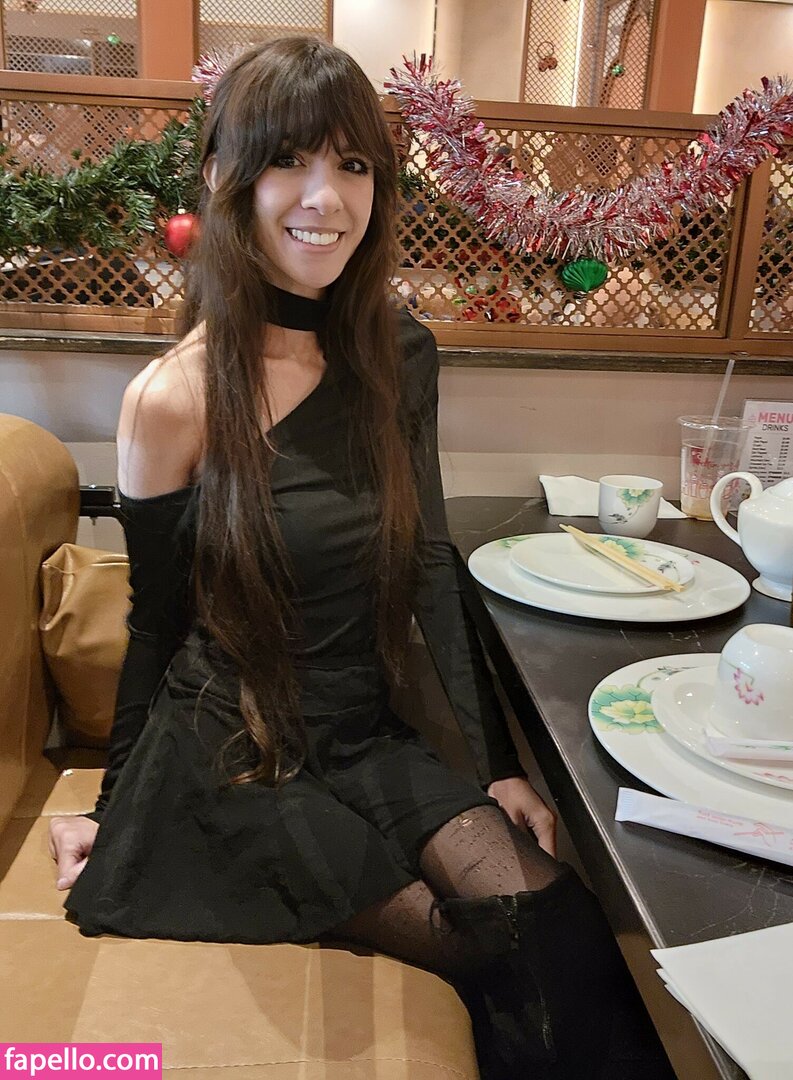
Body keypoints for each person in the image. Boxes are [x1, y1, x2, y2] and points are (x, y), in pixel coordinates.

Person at [48, 37, 674, 1080]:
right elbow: (155, 623)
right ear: (228, 177)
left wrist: (496, 765)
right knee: (486, 944)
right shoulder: (172, 396)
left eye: (352, 165)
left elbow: (429, 557)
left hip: (360, 729)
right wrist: (114, 812)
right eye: (288, 160)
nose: (325, 197)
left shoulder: (399, 351)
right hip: (230, 753)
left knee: (557, 918)